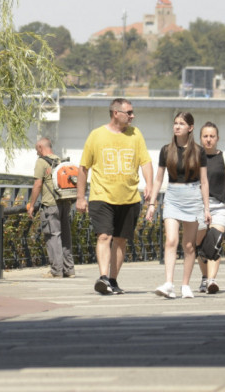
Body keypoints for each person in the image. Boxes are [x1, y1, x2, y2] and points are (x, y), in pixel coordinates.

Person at [76, 98, 153, 295]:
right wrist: (80, 197)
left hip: (129, 198)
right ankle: (102, 277)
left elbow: (145, 162)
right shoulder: (96, 135)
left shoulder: (136, 135)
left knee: (120, 240)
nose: (132, 116)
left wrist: (150, 186)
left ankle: (112, 279)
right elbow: (83, 168)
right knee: (104, 235)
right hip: (101, 196)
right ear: (115, 113)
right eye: (129, 112)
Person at [146, 112, 211, 299]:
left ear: (190, 128)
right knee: (171, 240)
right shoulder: (166, 150)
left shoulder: (199, 151)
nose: (177, 127)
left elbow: (204, 182)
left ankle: (185, 285)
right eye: (175, 123)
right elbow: (158, 179)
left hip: (192, 196)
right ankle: (168, 283)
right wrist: (152, 203)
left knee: (189, 245)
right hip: (173, 196)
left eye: (181, 124)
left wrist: (206, 208)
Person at [194, 122, 225, 294]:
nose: (209, 139)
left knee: (215, 242)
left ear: (217, 138)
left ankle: (212, 280)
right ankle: (204, 278)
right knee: (200, 245)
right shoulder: (194, 157)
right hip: (198, 206)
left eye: (212, 136)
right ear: (200, 138)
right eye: (205, 136)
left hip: (219, 206)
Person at [27, 137, 75, 278]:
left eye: (37, 150)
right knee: (65, 236)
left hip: (50, 204)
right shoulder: (60, 161)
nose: (37, 153)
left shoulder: (41, 162)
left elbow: (37, 185)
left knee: (53, 235)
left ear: (41, 148)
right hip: (64, 202)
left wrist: (31, 205)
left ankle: (56, 271)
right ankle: (69, 270)